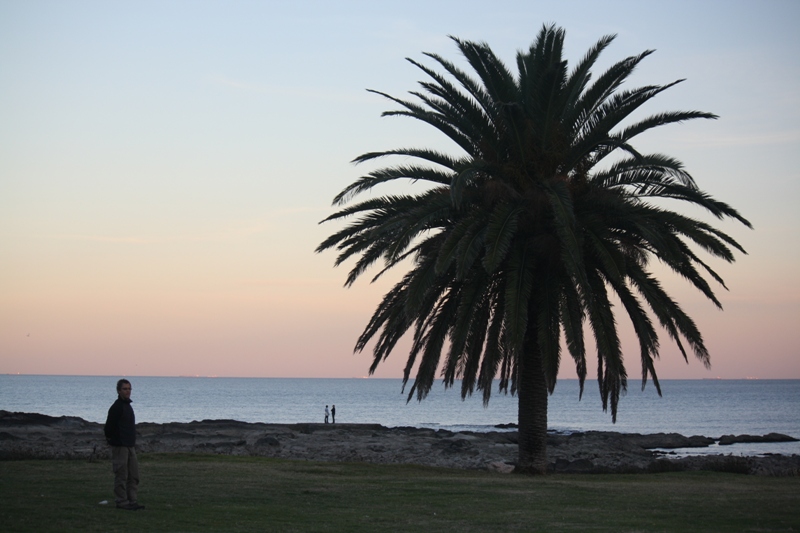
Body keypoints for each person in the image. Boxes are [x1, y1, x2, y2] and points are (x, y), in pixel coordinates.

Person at [104, 379, 144, 511]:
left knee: (133, 475)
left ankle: (132, 500)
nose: (128, 391)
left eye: (129, 389)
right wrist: (113, 440)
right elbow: (109, 428)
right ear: (119, 390)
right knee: (121, 474)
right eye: (125, 389)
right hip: (120, 445)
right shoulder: (116, 407)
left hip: (130, 445)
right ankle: (121, 501)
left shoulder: (128, 406)